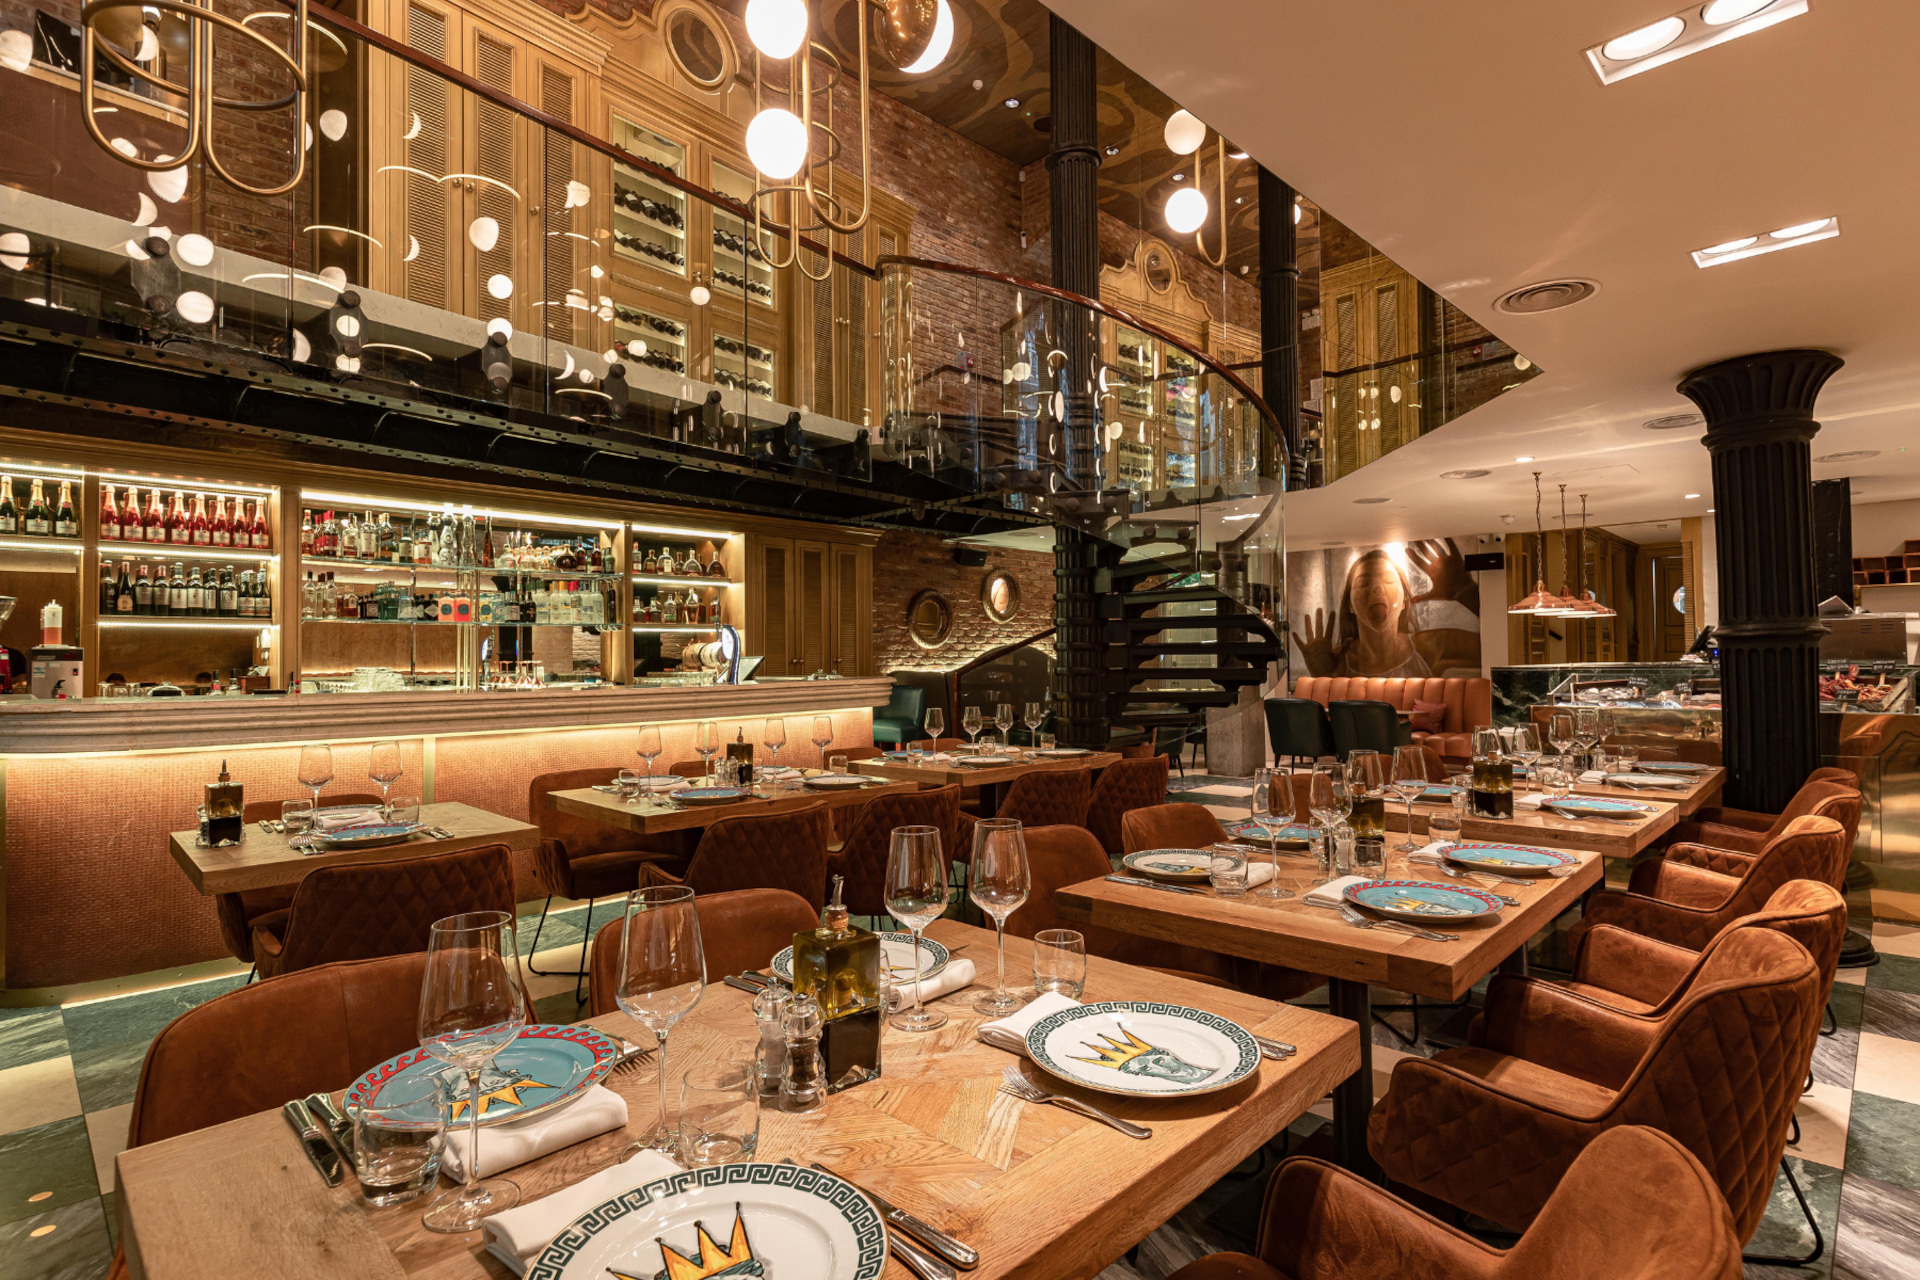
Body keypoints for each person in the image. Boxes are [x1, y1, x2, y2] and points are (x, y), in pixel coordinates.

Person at [1290, 539, 1480, 678]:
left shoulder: (1430, 647)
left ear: (1404, 600)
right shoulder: (1338, 660)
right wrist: (1324, 677)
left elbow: (1500, 646)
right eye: (1364, 583)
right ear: (1350, 605)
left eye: (1389, 580)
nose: (1377, 588)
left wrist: (1467, 592)